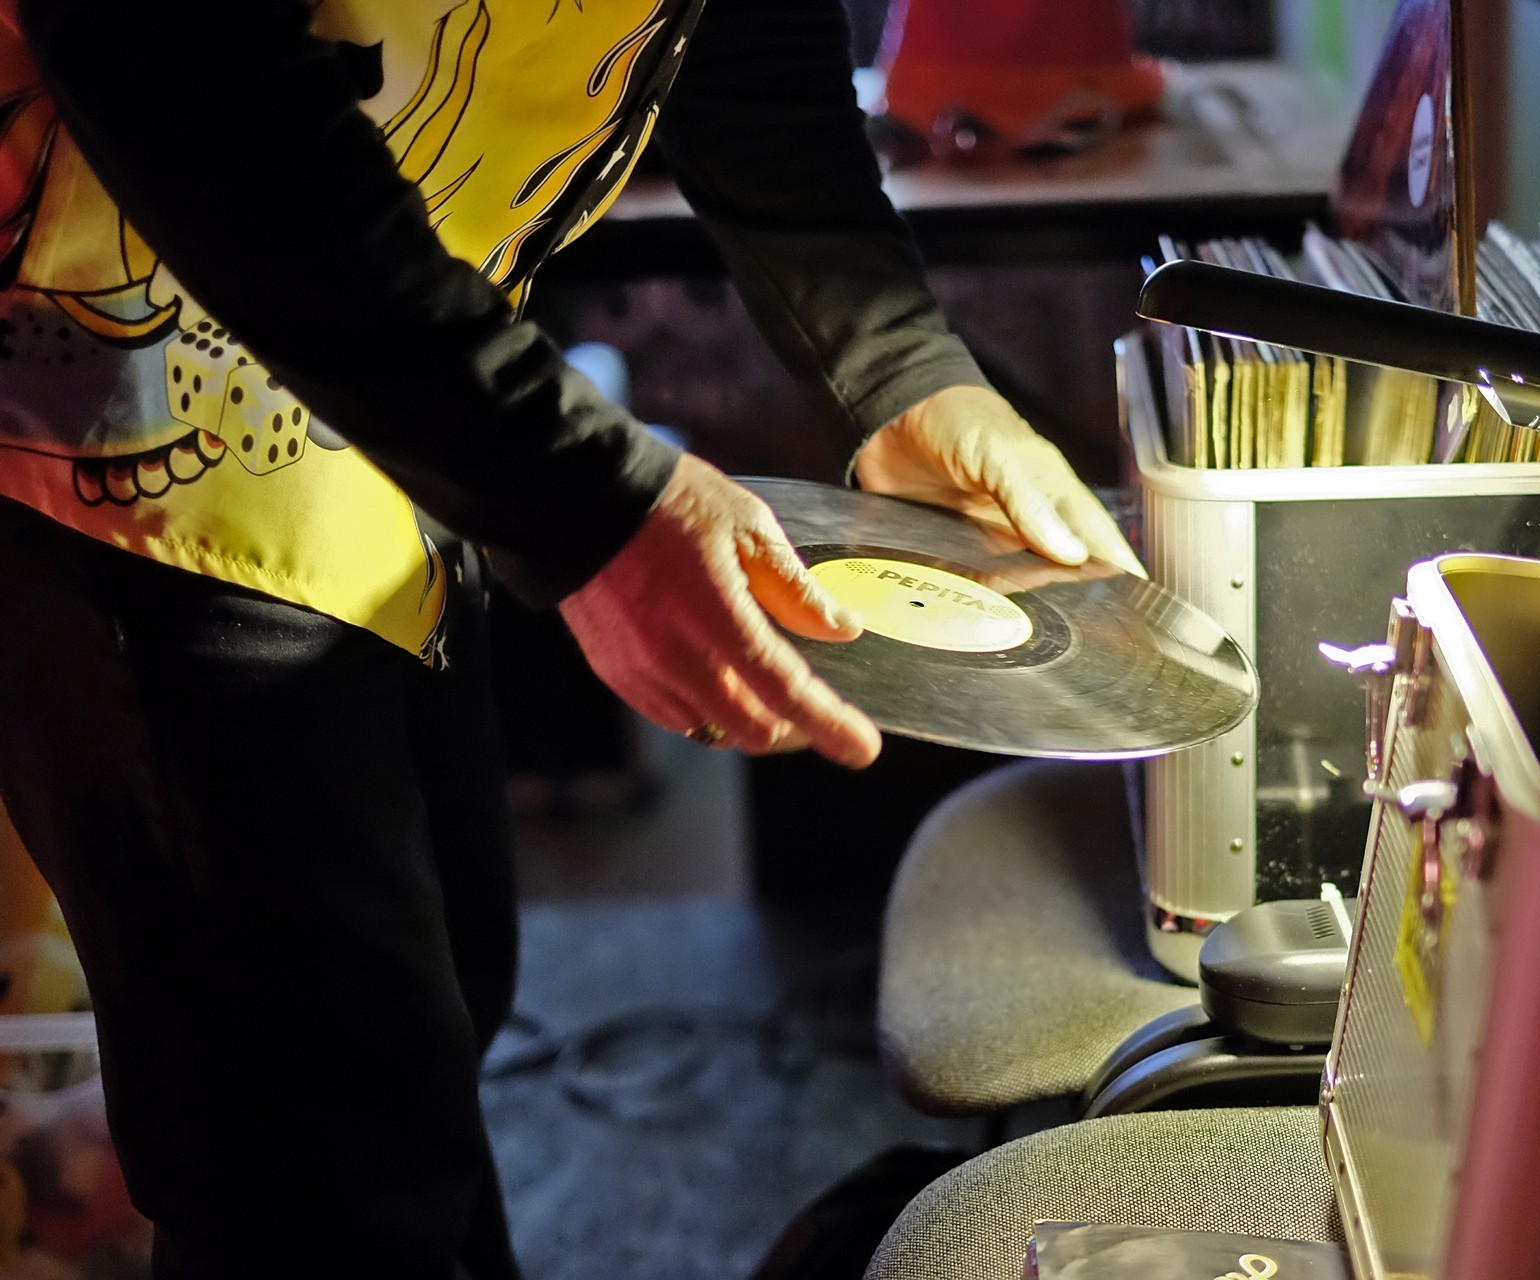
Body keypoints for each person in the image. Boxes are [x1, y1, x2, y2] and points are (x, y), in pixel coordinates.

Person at [0, 0, 1140, 1275]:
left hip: (387, 420)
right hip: (124, 448)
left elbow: (746, 30)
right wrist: (586, 502)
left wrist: (900, 366)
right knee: (316, 1159)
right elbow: (177, 62)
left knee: (432, 1041)